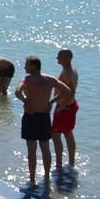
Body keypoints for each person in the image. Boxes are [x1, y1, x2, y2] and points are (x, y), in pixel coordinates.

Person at [15, 56, 74, 186]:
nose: (24, 67)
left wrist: (26, 101)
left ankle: (32, 179)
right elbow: (68, 91)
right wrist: (52, 102)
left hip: (30, 116)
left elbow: (17, 92)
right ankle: (46, 177)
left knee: (32, 150)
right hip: (44, 117)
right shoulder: (51, 79)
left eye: (27, 65)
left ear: (34, 66)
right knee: (45, 148)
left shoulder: (27, 79)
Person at [52, 49, 79, 170]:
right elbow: (65, 89)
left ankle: (58, 165)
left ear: (66, 58)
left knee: (56, 135)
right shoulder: (69, 69)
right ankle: (71, 161)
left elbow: (71, 91)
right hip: (69, 106)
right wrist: (53, 101)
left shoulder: (68, 72)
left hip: (65, 108)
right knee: (68, 134)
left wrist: (61, 107)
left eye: (59, 56)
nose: (56, 57)